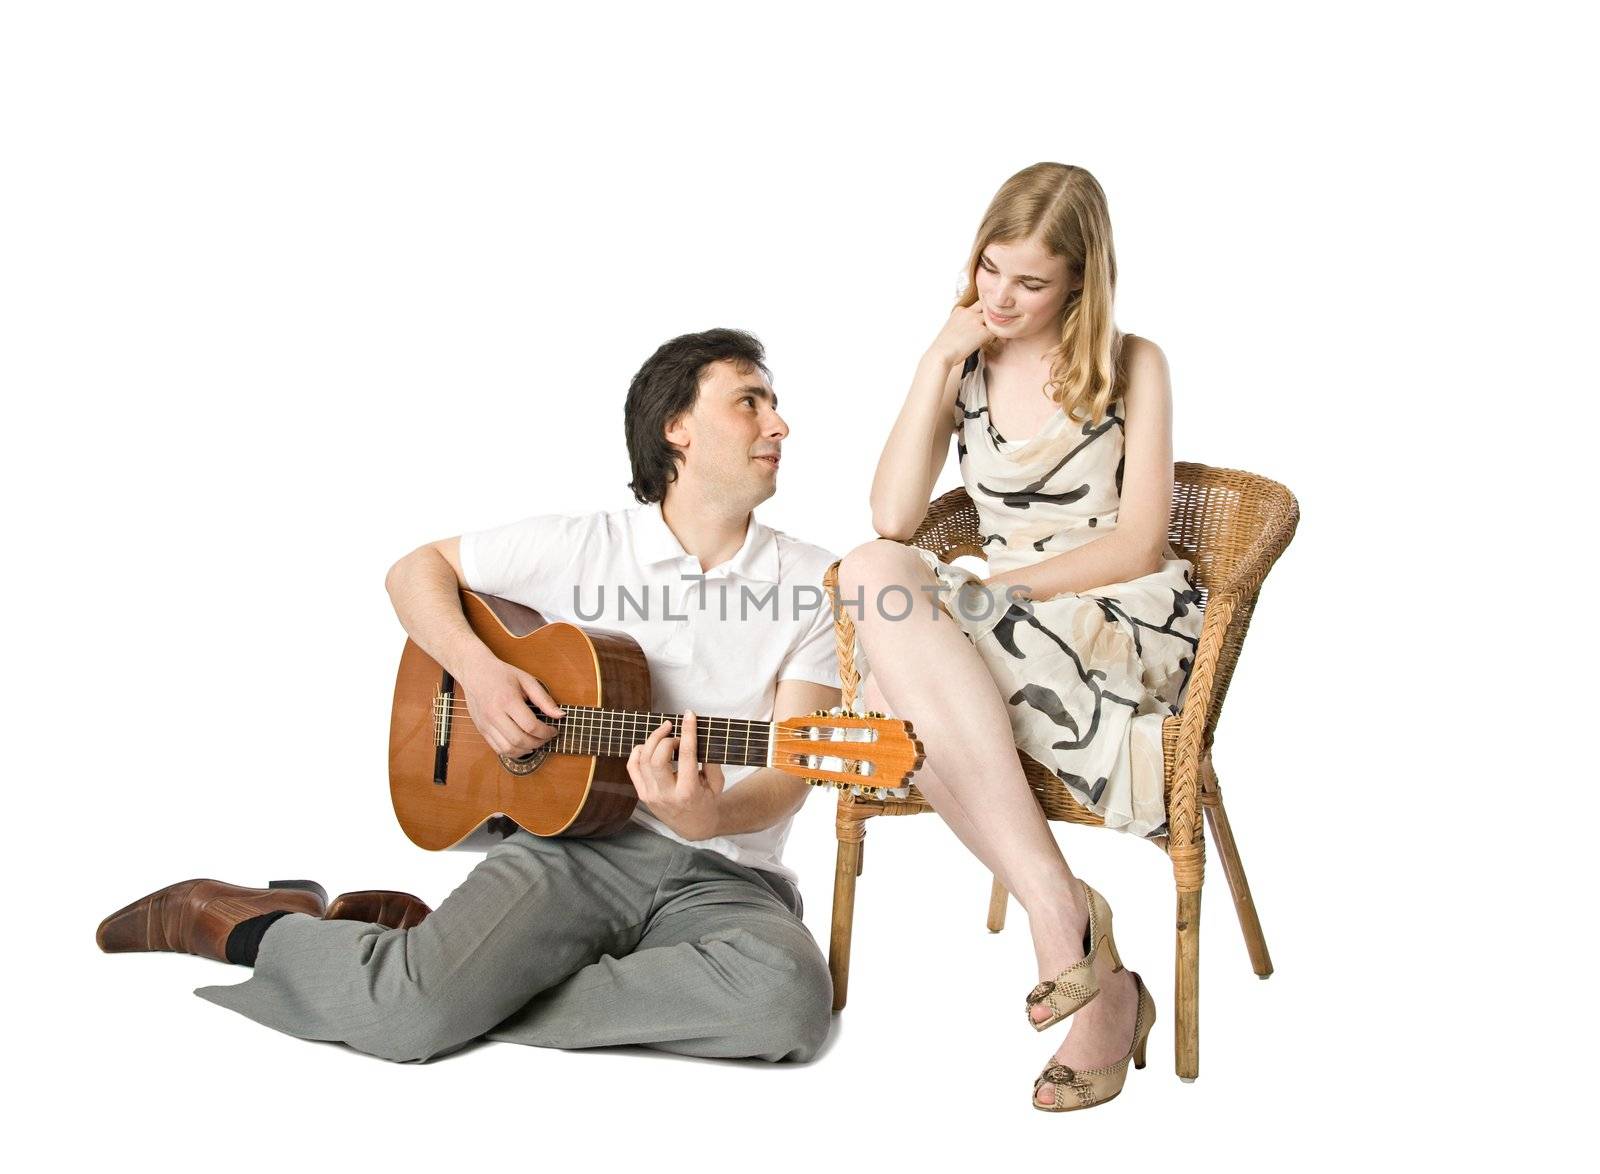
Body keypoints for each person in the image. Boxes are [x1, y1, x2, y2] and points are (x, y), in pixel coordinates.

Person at [96, 328, 842, 1064]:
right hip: (577, 850)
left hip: (727, 878)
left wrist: (711, 813)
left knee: (784, 1001)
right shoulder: (584, 546)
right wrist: (481, 676)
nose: (779, 424)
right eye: (751, 402)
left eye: (773, 405)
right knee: (408, 1020)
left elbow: (792, 769)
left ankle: (431, 966)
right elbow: (413, 571)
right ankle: (241, 924)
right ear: (676, 427)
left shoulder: (818, 581)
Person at [838, 163, 1204, 1111]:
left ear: (1081, 281)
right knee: (872, 568)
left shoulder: (1135, 364)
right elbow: (891, 513)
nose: (1000, 296)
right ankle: (1067, 918)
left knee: (890, 694)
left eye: (1030, 282)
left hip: (1109, 613)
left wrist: (991, 590)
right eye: (990, 269)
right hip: (992, 614)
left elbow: (1139, 540)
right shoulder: (968, 358)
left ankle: (1077, 944)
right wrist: (935, 361)